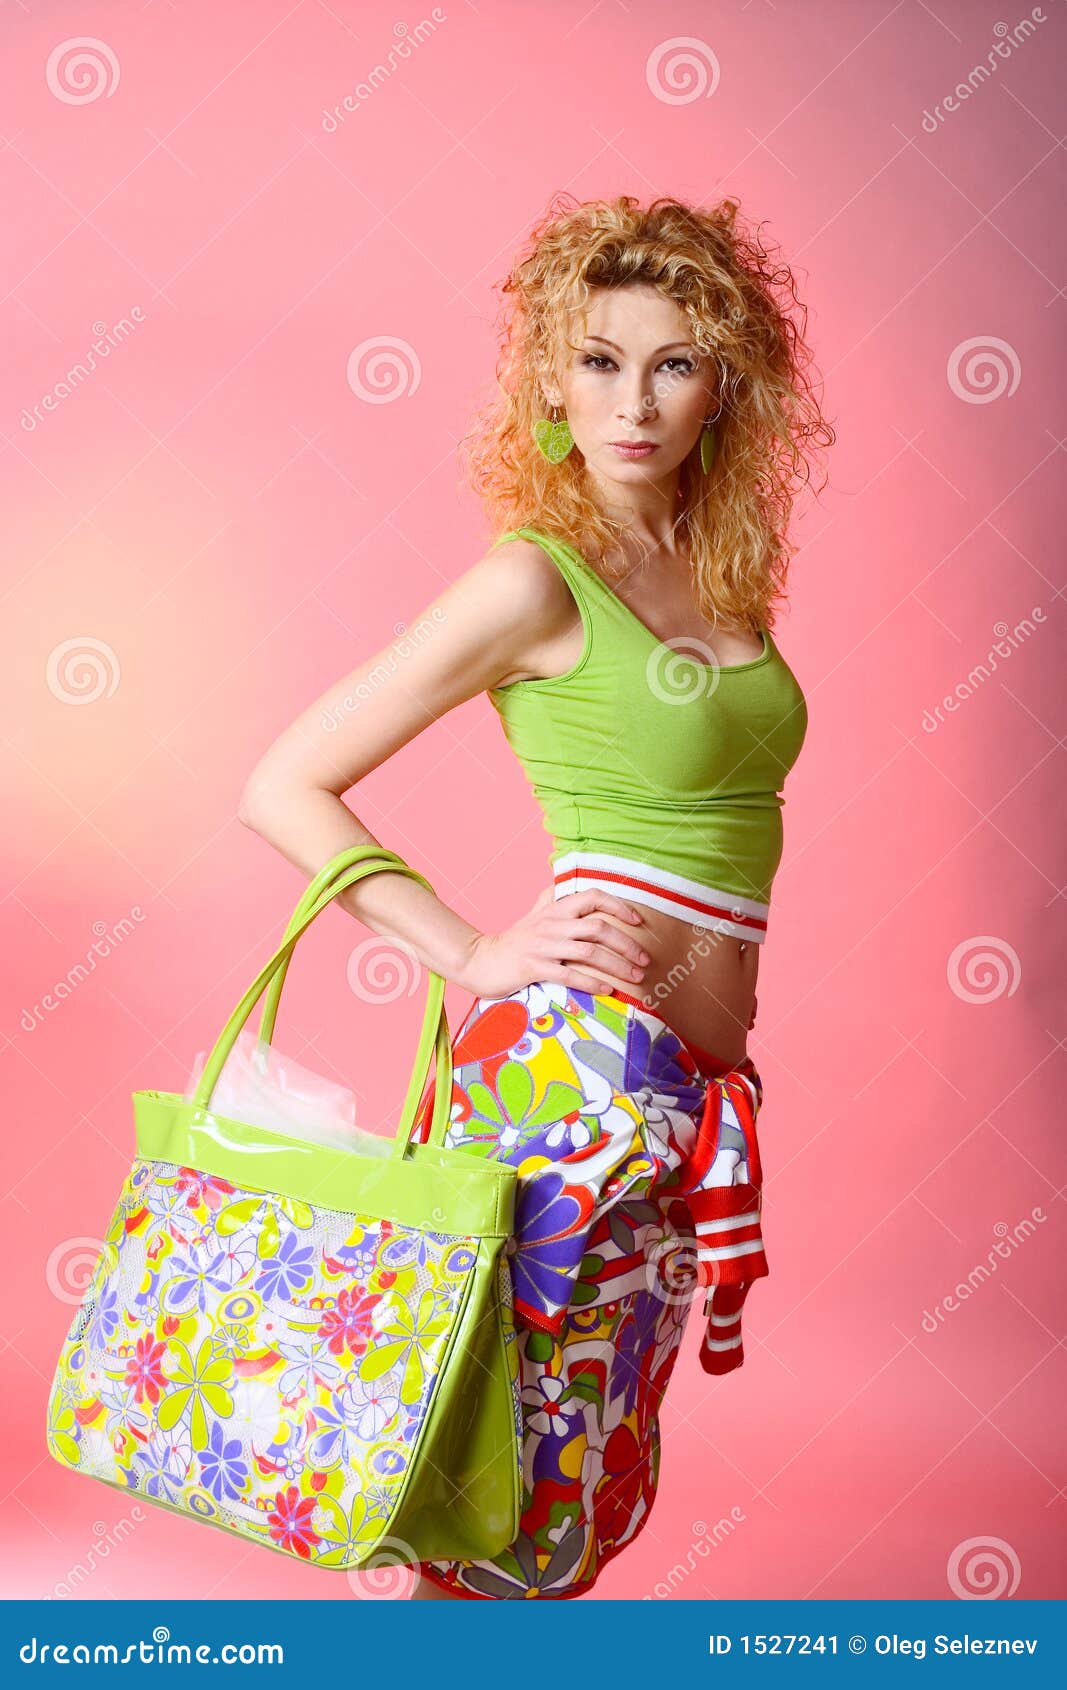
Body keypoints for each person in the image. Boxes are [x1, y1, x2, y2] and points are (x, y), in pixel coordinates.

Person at [238, 192, 833, 1599]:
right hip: (576, 1071)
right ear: (551, 384)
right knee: (498, 1471)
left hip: (686, 1089)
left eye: (674, 363)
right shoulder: (533, 580)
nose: (635, 400)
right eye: (600, 360)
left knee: (575, 1478)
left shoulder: (722, 575)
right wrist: (472, 951)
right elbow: (283, 782)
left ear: (725, 386)